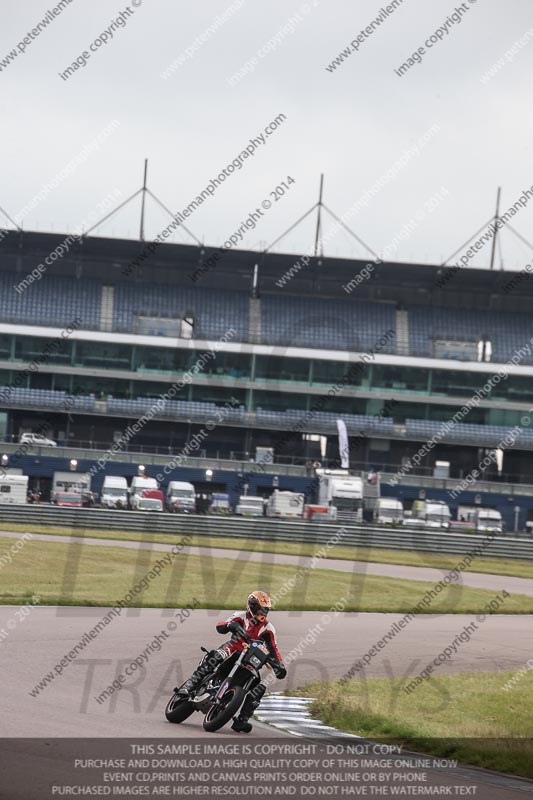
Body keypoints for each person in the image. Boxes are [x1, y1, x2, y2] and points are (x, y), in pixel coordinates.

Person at [179, 590, 287, 733]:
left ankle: (242, 720)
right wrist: (230, 626)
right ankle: (190, 684)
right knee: (216, 656)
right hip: (232, 649)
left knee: (259, 688)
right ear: (251, 606)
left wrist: (279, 666)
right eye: (259, 608)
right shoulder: (240, 616)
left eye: (265, 609)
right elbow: (221, 625)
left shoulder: (269, 629)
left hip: (249, 660)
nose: (262, 612)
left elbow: (274, 649)